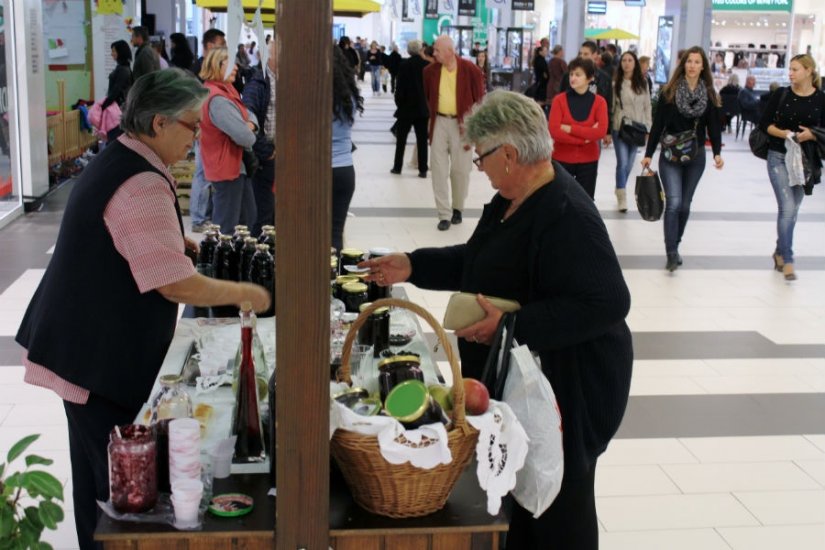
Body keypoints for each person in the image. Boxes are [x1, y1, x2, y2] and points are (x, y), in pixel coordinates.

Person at [360, 90, 632, 550]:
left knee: (559, 500)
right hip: (534, 379)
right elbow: (482, 259)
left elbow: (608, 302)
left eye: (481, 155)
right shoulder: (515, 198)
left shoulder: (566, 213)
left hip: (572, 386)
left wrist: (510, 328)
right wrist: (413, 264)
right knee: (523, 493)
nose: (479, 166)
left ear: (509, 154)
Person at [15, 68, 271, 550]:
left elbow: (132, 245)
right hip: (92, 360)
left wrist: (178, 245)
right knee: (116, 484)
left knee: (96, 473)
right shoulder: (141, 182)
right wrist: (244, 294)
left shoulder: (123, 156)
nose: (196, 140)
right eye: (191, 127)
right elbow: (174, 286)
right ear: (158, 123)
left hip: (76, 345)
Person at [642, 46, 724, 272]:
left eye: (697, 62)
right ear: (683, 64)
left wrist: (717, 152)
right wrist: (648, 154)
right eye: (689, 61)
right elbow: (658, 125)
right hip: (670, 155)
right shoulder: (670, 92)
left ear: (703, 67)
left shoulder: (708, 94)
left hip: (696, 157)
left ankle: (675, 245)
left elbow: (714, 127)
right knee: (674, 203)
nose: (692, 66)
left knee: (685, 205)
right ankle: (670, 253)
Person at [760, 54, 825, 281]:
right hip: (778, 155)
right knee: (787, 207)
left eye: (795, 69)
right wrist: (787, 134)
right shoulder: (782, 94)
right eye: (789, 69)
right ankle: (788, 259)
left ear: (808, 71)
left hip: (804, 161)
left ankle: (779, 250)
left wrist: (811, 135)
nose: (790, 73)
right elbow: (765, 124)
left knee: (793, 210)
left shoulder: (821, 99)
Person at [423, 35, 486, 230]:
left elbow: (480, 101)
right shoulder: (429, 71)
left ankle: (458, 207)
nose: (434, 54)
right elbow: (428, 98)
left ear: (450, 51)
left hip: (463, 125)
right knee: (438, 170)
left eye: (437, 51)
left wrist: (476, 131)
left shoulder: (470, 70)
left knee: (460, 170)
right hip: (440, 122)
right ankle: (444, 214)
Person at [199, 48, 258, 235]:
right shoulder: (218, 99)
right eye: (231, 63)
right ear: (217, 66)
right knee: (227, 227)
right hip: (226, 169)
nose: (236, 67)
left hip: (235, 167)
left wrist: (250, 125)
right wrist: (247, 127)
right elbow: (245, 136)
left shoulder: (227, 91)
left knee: (246, 219)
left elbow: (251, 116)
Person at [548, 57, 608, 199]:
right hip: (561, 159)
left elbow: (600, 131)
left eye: (578, 74)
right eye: (571, 74)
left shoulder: (599, 102)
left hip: (589, 161)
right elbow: (554, 131)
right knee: (558, 199)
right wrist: (585, 138)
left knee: (585, 202)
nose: (573, 78)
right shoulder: (559, 100)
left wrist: (570, 129)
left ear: (590, 78)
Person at [189, 29, 226, 232]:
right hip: (202, 128)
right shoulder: (199, 68)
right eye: (221, 44)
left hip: (207, 127)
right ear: (210, 45)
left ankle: (203, 216)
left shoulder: (201, 66)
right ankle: (197, 219)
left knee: (205, 173)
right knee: (202, 173)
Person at [242, 38, 278, 236]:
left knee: (276, 214)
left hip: (282, 158)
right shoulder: (258, 82)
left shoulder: (284, 79)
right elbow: (248, 120)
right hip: (267, 159)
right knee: (264, 216)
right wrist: (267, 151)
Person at [331, 46, 364, 252]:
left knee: (314, 231)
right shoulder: (347, 96)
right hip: (345, 171)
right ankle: (332, 279)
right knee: (335, 231)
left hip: (320, 172)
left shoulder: (315, 98)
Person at [611, 51, 652, 212]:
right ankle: (622, 196)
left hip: (638, 128)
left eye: (630, 60)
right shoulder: (616, 83)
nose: (627, 63)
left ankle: (619, 186)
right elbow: (612, 106)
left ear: (635, 63)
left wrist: (648, 125)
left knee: (629, 164)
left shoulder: (643, 82)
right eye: (624, 60)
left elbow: (647, 105)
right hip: (620, 127)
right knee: (622, 163)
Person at [560, 41, 613, 145]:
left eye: (586, 54)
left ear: (595, 55)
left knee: (592, 154)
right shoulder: (569, 76)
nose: (582, 57)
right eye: (580, 54)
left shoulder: (604, 78)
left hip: (594, 127)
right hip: (571, 124)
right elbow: (561, 98)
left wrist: (608, 131)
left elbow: (608, 104)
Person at [391, 39, 429, 178]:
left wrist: (399, 103)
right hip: (422, 109)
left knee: (401, 140)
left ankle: (397, 167)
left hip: (405, 109)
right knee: (422, 141)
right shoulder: (427, 65)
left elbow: (399, 87)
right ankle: (423, 169)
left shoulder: (403, 65)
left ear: (408, 51)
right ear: (421, 50)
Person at [101, 40, 133, 142]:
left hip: (118, 111)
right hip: (118, 109)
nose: (111, 54)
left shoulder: (123, 70)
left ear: (121, 52)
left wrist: (103, 105)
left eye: (114, 51)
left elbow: (116, 90)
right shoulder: (122, 67)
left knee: (114, 138)